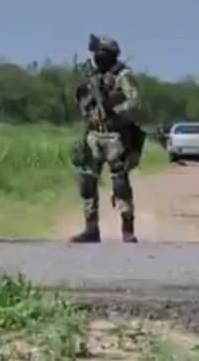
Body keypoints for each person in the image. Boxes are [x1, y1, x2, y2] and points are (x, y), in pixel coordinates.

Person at [70, 34, 143, 243]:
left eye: (100, 53)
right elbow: (82, 100)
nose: (96, 57)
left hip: (115, 134)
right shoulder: (92, 76)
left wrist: (114, 110)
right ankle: (91, 228)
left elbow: (135, 102)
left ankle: (127, 228)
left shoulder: (122, 75)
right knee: (87, 181)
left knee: (120, 182)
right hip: (94, 133)